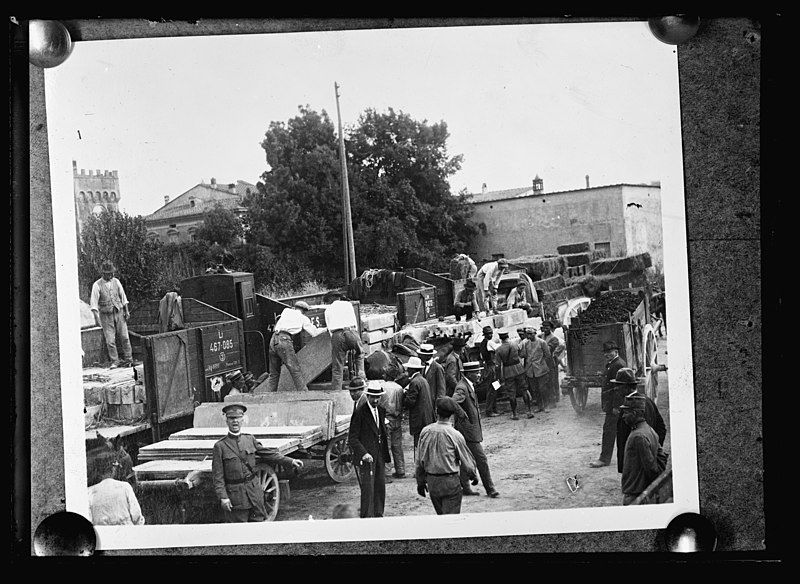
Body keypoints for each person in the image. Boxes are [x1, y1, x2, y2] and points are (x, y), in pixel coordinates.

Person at [212, 403, 304, 522]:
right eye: (231, 418)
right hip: (236, 498)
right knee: (239, 531)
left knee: (259, 526)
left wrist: (290, 461)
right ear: (226, 420)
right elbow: (218, 477)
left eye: (238, 418)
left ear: (243, 419)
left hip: (255, 492)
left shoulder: (249, 439)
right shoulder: (220, 446)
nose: (235, 422)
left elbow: (269, 453)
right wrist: (223, 497)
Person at [415, 396, 479, 515]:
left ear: (436, 412)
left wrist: (420, 482)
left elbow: (419, 460)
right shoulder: (455, 434)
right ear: (452, 415)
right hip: (450, 482)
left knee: (441, 518)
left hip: (432, 482)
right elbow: (466, 459)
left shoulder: (425, 431)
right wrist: (473, 475)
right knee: (451, 522)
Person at [452, 361, 499, 498]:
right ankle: (490, 489)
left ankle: (465, 487)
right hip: (467, 431)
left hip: (469, 430)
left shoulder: (467, 385)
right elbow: (452, 402)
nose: (479, 375)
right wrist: (462, 416)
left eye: (479, 372)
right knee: (481, 459)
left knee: (467, 458)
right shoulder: (462, 387)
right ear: (468, 374)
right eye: (476, 373)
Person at [348, 380, 392, 517]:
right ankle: (366, 517)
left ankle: (379, 514)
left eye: (378, 397)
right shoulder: (360, 413)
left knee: (380, 485)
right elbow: (353, 438)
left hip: (379, 454)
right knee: (368, 488)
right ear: (367, 396)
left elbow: (382, 432)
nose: (375, 400)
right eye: (373, 397)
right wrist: (364, 453)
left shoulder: (381, 411)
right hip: (367, 457)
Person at [613, 373, 667, 473]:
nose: (615, 389)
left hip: (635, 463)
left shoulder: (630, 406)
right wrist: (655, 449)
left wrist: (650, 452)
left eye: (618, 385)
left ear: (626, 387)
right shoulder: (648, 401)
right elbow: (661, 428)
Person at [619, 393, 667, 505]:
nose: (623, 416)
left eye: (626, 412)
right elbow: (661, 456)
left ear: (634, 413)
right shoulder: (649, 429)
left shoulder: (638, 436)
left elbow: (651, 469)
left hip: (635, 495)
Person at [266, 300, 325, 392]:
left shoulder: (286, 311)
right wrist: (326, 329)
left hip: (273, 339)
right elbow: (314, 333)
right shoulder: (303, 318)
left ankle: (269, 396)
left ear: (295, 307)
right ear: (304, 311)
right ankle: (304, 393)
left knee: (274, 373)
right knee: (295, 370)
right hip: (284, 339)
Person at [589, 341, 628, 468]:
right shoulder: (613, 364)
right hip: (612, 405)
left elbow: (619, 388)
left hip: (615, 406)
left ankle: (604, 459)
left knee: (609, 431)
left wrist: (616, 406)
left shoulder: (618, 364)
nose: (607, 355)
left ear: (616, 352)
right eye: (605, 353)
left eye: (609, 352)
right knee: (615, 431)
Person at [89, 260, 134, 369]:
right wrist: (97, 319)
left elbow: (123, 297)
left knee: (125, 337)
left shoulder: (116, 282)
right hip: (106, 315)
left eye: (112, 273)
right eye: (108, 273)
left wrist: (126, 311)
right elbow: (94, 304)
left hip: (119, 312)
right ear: (103, 273)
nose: (111, 275)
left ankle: (129, 359)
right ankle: (115, 361)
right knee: (110, 340)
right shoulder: (97, 285)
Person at [87, 448, 145, 525]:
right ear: (113, 468)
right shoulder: (125, 487)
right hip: (126, 533)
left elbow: (89, 521)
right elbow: (136, 517)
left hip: (103, 535)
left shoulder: (89, 492)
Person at [324, 294, 366, 391]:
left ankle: (336, 392)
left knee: (337, 366)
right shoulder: (348, 305)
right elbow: (355, 323)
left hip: (337, 334)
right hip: (351, 331)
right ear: (339, 298)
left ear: (329, 300)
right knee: (359, 355)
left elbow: (330, 329)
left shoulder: (327, 310)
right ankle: (362, 380)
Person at [495, 331, 533, 419]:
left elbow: (497, 365)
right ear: (508, 336)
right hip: (519, 369)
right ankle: (528, 411)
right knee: (524, 390)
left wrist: (498, 378)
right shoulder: (515, 344)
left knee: (511, 393)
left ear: (501, 338)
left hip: (508, 371)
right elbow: (522, 354)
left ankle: (515, 414)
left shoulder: (499, 349)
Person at [402, 357, 435, 455]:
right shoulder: (423, 380)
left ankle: (420, 468)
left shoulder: (414, 382)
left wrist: (403, 395)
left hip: (419, 420)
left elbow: (410, 402)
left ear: (413, 369)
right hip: (427, 418)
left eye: (409, 368)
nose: (407, 370)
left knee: (419, 446)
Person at [379, 373, 407, 478]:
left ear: (386, 376)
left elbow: (380, 403)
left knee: (385, 446)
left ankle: (387, 472)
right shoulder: (400, 388)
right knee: (397, 446)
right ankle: (400, 470)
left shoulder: (383, 386)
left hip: (386, 419)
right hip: (397, 419)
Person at [520, 327, 553, 412]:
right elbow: (523, 355)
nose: (529, 335)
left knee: (543, 389)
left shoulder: (542, 342)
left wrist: (541, 362)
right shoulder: (525, 343)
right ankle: (540, 406)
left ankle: (546, 405)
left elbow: (548, 355)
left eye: (531, 334)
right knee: (535, 389)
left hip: (541, 369)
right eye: (527, 334)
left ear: (535, 333)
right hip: (530, 370)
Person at [540, 320, 565, 404]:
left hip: (551, 361)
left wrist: (555, 354)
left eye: (547, 328)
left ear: (550, 328)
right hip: (543, 361)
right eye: (544, 328)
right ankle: (550, 398)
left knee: (553, 379)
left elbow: (560, 346)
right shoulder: (541, 336)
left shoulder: (553, 338)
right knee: (546, 380)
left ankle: (555, 398)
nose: (545, 329)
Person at [479, 326, 501, 416]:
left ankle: (494, 409)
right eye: (488, 333)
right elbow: (499, 349)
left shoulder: (482, 343)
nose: (490, 335)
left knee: (494, 388)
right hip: (491, 367)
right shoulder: (489, 342)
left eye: (491, 333)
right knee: (492, 388)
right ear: (485, 334)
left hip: (488, 367)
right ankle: (489, 411)